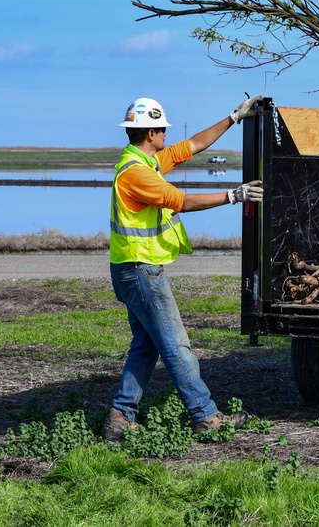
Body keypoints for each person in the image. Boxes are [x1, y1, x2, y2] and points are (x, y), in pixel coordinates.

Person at [102, 95, 263, 441]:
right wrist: (233, 196)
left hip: (131, 268)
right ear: (150, 133)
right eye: (162, 129)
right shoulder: (137, 175)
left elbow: (193, 145)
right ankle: (205, 415)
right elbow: (182, 201)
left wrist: (234, 116)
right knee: (176, 345)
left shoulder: (146, 161)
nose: (166, 135)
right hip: (141, 270)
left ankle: (121, 417)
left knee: (146, 344)